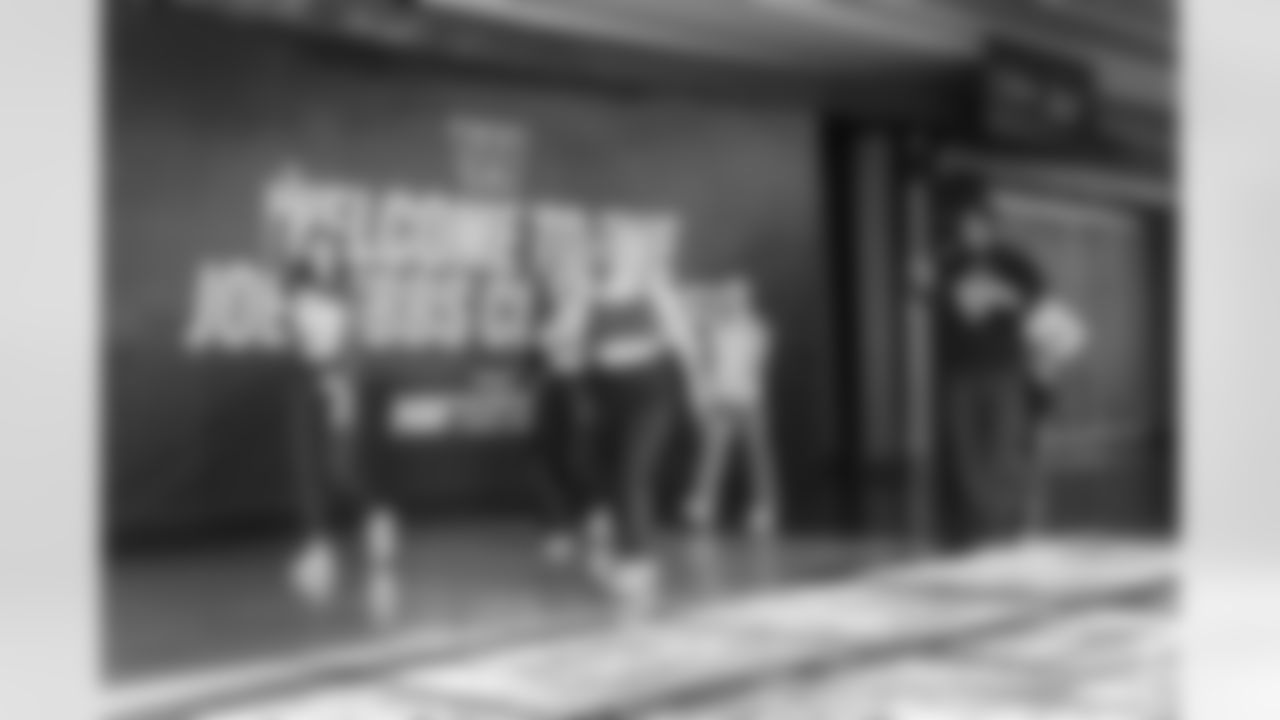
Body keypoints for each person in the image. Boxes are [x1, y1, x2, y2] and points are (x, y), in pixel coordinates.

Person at [584, 215, 697, 620]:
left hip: (651, 394)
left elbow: (683, 341)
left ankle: (639, 567)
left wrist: (697, 392)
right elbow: (578, 346)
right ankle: (621, 557)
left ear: (636, 249)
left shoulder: (655, 288)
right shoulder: (593, 292)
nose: (615, 250)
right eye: (608, 244)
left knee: (634, 474)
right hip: (607, 394)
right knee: (614, 480)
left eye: (623, 243)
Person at [282, 247, 401, 626]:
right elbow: (297, 346)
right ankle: (317, 549)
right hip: (304, 387)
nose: (322, 261)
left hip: (340, 388)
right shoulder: (296, 297)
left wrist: (339, 383)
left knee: (341, 468)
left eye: (328, 254)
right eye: (316, 254)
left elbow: (352, 349)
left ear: (336, 262)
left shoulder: (347, 300)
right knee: (306, 466)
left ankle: (376, 518)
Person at [920, 201, 1046, 548]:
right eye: (965, 226)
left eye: (977, 226)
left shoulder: (1013, 261)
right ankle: (980, 518)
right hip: (959, 368)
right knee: (967, 447)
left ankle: (1010, 514)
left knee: (1003, 443)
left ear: (991, 228)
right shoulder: (948, 262)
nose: (970, 233)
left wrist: (999, 295)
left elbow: (1035, 296)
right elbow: (928, 294)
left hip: (1004, 366)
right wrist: (928, 283)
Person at [682, 279, 780, 539]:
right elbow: (706, 361)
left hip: (748, 399)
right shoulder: (715, 329)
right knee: (713, 453)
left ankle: (765, 508)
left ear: (747, 301)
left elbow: (754, 364)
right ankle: (703, 504)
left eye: (738, 298)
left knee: (757, 454)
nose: (733, 303)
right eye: (730, 298)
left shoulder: (757, 329)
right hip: (722, 397)